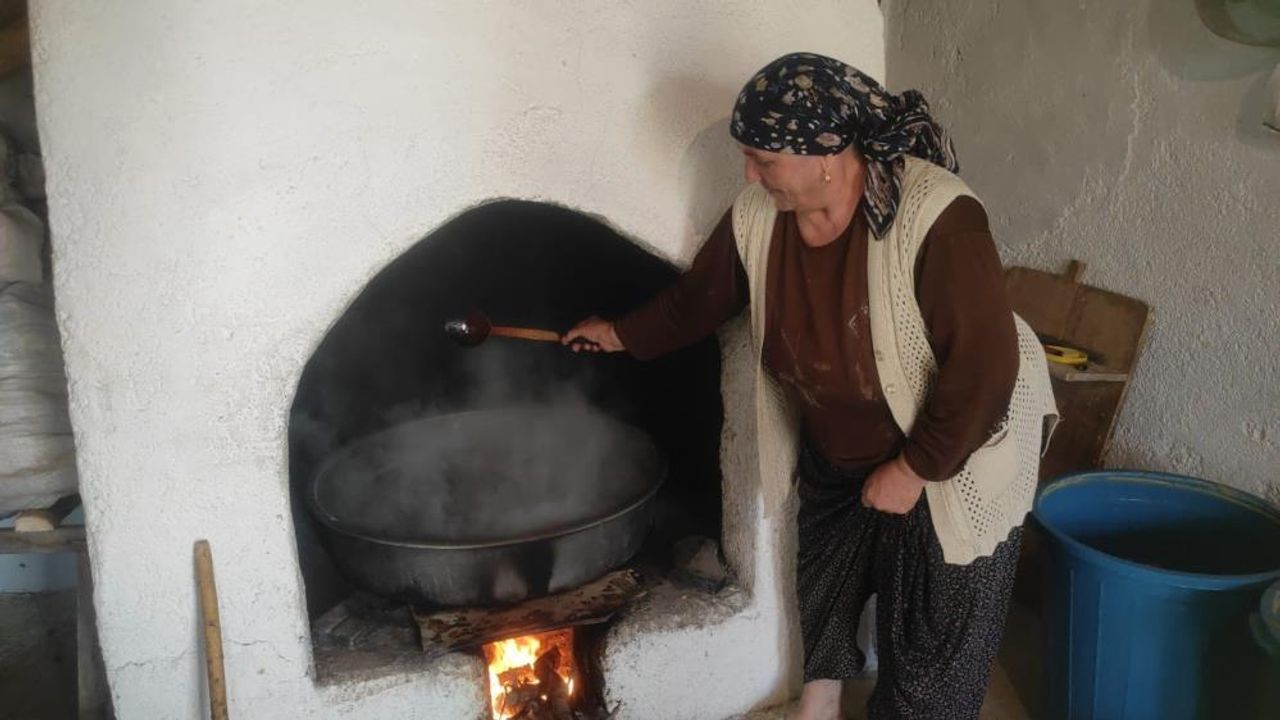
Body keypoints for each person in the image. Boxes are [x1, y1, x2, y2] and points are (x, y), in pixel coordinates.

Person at [565, 52, 1056, 720]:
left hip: (954, 446)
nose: (749, 174)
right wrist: (621, 334)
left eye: (763, 160)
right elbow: (697, 301)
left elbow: (984, 367)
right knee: (827, 574)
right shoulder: (757, 216)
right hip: (841, 441)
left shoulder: (937, 217)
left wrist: (913, 469)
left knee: (934, 634)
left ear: (825, 155)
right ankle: (819, 704)